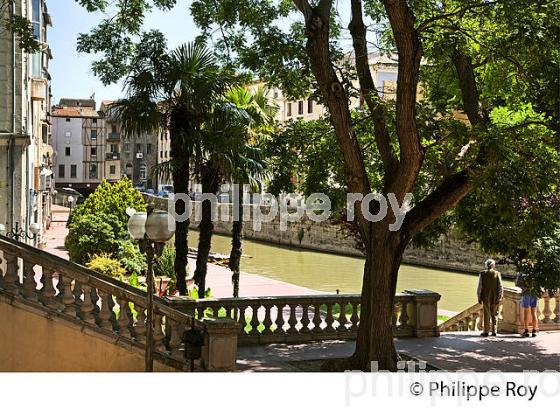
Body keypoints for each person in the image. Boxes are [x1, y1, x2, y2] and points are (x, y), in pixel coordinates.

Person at [477, 259, 504, 337]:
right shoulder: (497, 273)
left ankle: (486, 331)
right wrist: (500, 297)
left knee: (486, 314)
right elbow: (500, 286)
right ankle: (494, 331)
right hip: (495, 297)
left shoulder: (482, 274)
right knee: (495, 314)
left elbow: (480, 287)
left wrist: (479, 297)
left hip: (485, 297)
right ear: (493, 265)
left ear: (486, 265)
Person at [515, 266, 539, 337]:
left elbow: (517, 284)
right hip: (534, 293)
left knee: (526, 312)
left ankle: (526, 330)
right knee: (534, 312)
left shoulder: (522, 273)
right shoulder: (536, 272)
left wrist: (524, 287)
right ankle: (534, 331)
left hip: (526, 293)